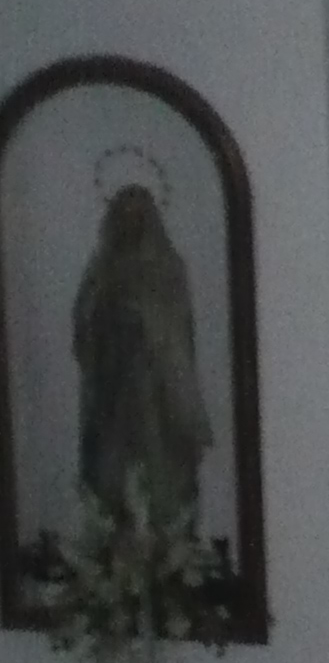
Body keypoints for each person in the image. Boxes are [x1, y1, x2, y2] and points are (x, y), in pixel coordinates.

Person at [72, 183, 213, 532]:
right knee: (111, 466)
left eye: (138, 217)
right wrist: (107, 315)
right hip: (112, 384)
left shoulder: (168, 267)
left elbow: (178, 327)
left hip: (156, 386)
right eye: (125, 217)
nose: (131, 225)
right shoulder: (101, 268)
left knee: (159, 464)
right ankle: (115, 534)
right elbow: (83, 321)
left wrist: (145, 321)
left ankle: (165, 537)